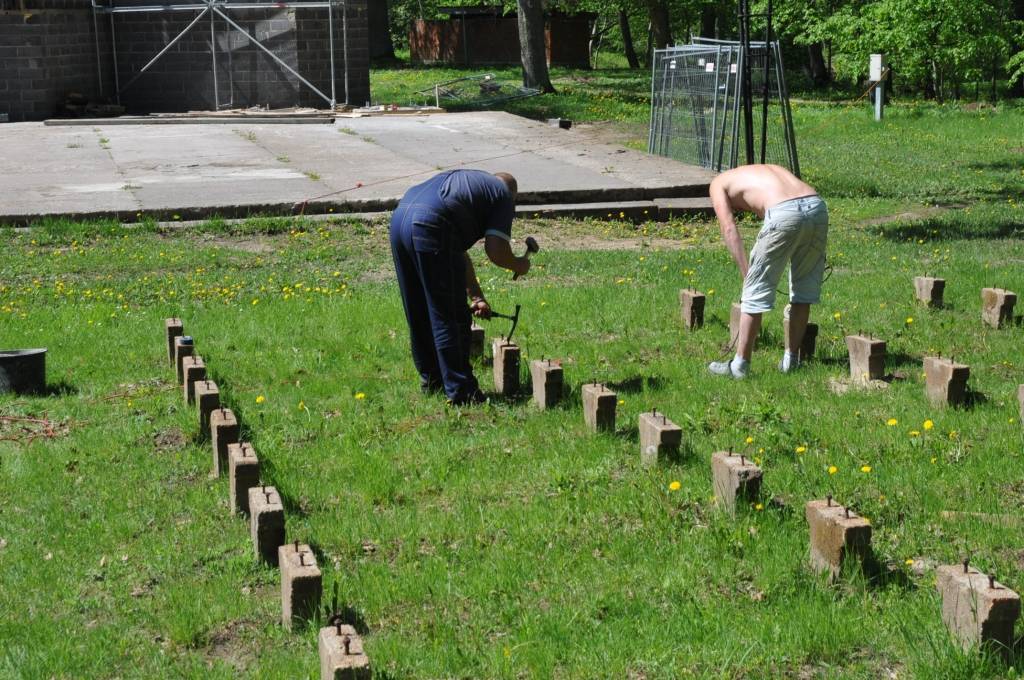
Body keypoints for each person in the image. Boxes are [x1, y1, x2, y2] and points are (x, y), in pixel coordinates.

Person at [390, 169, 531, 405]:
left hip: (400, 219)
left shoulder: (472, 186)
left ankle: (433, 380)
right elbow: (496, 251)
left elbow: (454, 250)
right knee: (450, 315)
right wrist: (520, 264)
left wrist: (476, 296)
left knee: (419, 309)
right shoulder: (503, 195)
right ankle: (462, 391)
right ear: (512, 196)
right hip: (430, 224)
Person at [707, 164, 828, 379]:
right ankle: (791, 362)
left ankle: (739, 367)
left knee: (755, 290)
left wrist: (747, 273)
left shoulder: (717, 184)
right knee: (803, 288)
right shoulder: (764, 170)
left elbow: (728, 228)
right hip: (816, 206)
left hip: (784, 212)